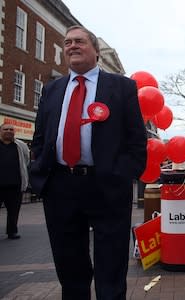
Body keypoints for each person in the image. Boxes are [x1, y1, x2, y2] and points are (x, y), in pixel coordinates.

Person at [29, 25, 147, 300]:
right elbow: (40, 136)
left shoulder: (122, 87)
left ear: (95, 50)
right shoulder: (52, 89)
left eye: (79, 41)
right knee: (70, 269)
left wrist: (122, 175)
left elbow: (136, 141)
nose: (72, 46)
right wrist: (40, 175)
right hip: (60, 186)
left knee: (111, 268)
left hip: (106, 186)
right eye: (68, 42)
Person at [0, 123, 29, 240]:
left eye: (11, 129)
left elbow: (26, 160)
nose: (9, 131)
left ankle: (12, 232)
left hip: (15, 185)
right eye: (5, 129)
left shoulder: (20, 145)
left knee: (14, 211)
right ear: (1, 131)